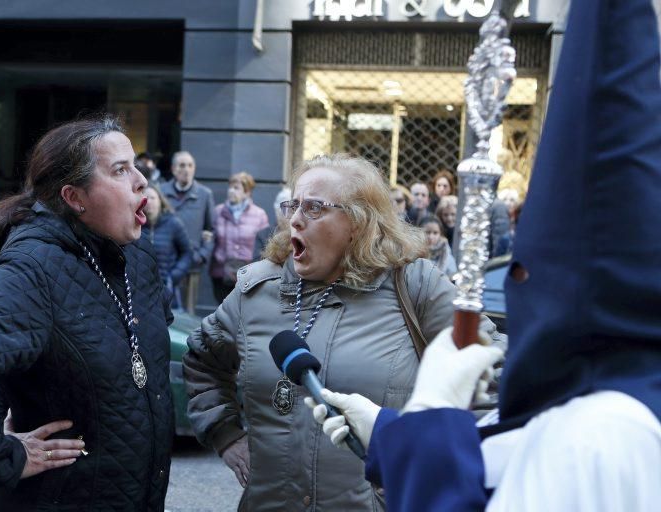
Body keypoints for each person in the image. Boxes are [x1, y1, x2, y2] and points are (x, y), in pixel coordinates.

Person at [308, 0, 661, 510]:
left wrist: (432, 408)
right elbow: (497, 454)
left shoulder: (602, 435)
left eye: (528, 270)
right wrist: (389, 431)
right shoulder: (588, 410)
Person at [183, 153, 504, 511]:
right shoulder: (257, 289)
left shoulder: (415, 284)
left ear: (358, 221)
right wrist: (226, 435)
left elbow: (494, 380)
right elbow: (201, 362)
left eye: (315, 208)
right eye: (293, 206)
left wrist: (418, 462)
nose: (295, 220)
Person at [0, 116, 174, 511]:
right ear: (74, 197)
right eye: (120, 170)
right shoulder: (34, 265)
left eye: (135, 165)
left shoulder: (136, 257)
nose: (142, 181)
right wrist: (5, 455)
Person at [161, 151, 215, 314]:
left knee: (188, 313)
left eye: (190, 165)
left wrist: (202, 255)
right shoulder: (161, 191)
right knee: (163, 310)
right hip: (164, 264)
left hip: (191, 264)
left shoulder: (205, 194)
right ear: (173, 169)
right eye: (182, 165)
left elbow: (211, 230)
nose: (186, 169)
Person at [210, 171, 269, 302]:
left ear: (247, 192)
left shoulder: (259, 215)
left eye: (236, 188)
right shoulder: (218, 211)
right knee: (222, 312)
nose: (231, 191)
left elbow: (264, 246)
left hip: (247, 275)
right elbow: (211, 239)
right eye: (230, 187)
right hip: (221, 274)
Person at [142, 183, 192, 309]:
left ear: (160, 201)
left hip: (168, 288)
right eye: (146, 198)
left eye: (153, 198)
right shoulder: (135, 225)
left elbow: (187, 253)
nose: (149, 202)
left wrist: (174, 275)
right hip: (141, 289)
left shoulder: (173, 224)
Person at [253, 186, 291, 260]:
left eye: (291, 208)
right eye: (283, 208)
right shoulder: (263, 235)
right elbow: (256, 262)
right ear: (276, 210)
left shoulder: (301, 234)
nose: (287, 213)